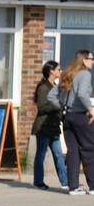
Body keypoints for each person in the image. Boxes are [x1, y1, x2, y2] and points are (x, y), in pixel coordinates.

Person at [57, 49, 94, 195]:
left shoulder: (67, 74)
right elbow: (82, 94)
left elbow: (53, 95)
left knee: (73, 151)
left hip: (67, 116)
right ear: (84, 60)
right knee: (89, 149)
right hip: (80, 116)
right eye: (91, 59)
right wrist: (91, 109)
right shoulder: (85, 74)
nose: (92, 62)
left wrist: (63, 107)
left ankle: (73, 187)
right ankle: (93, 186)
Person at [32, 61, 67, 190]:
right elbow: (41, 107)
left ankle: (65, 182)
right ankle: (38, 181)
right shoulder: (43, 87)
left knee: (58, 155)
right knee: (41, 155)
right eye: (59, 69)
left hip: (54, 126)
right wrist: (57, 105)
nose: (60, 71)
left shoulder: (55, 86)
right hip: (43, 126)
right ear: (51, 71)